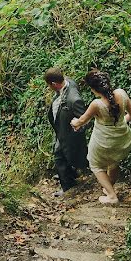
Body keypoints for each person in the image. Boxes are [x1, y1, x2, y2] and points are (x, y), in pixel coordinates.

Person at [71, 69, 131, 205]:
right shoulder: (122, 94)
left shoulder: (97, 104)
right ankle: (109, 188)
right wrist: (119, 122)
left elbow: (82, 121)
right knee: (114, 162)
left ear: (94, 89)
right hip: (123, 138)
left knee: (96, 165)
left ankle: (112, 196)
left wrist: (74, 122)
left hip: (103, 141)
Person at [44, 68, 89, 196]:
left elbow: (84, 120)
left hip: (68, 135)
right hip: (60, 130)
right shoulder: (68, 83)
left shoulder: (74, 99)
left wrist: (74, 134)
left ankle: (67, 188)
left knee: (59, 158)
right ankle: (71, 177)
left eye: (49, 85)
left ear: (54, 84)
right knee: (62, 157)